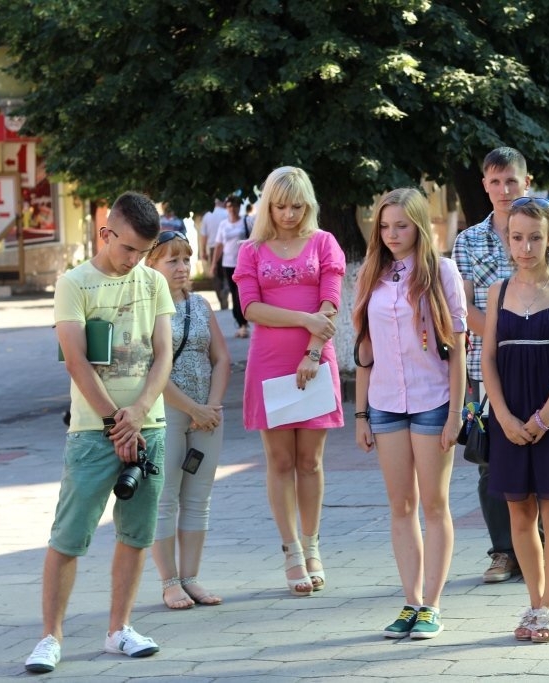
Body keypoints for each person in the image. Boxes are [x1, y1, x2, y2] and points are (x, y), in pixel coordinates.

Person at [25, 192, 175, 674]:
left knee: (136, 535)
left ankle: (119, 630)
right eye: (128, 248)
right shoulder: (74, 283)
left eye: (144, 252)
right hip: (94, 433)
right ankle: (50, 637)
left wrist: (140, 411)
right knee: (69, 536)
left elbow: (163, 354)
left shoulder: (154, 282)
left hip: (148, 429)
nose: (135, 260)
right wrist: (116, 421)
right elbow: (76, 361)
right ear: (105, 233)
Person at [452, 146, 549, 584]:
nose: (503, 189)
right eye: (495, 181)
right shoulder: (468, 240)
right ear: (484, 186)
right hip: (484, 367)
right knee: (492, 461)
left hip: (543, 365)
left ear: (526, 182)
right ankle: (504, 551)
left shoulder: (548, 232)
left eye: (511, 181)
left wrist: (524, 336)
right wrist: (507, 335)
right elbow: (463, 307)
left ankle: (540, 548)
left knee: (544, 456)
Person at [352, 188, 467, 640]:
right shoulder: (371, 274)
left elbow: (457, 349)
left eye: (401, 225)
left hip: (433, 401)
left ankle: (432, 606)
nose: (392, 234)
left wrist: (455, 413)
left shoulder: (442, 272)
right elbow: (364, 350)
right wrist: (360, 415)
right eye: (384, 226)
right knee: (400, 506)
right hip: (384, 404)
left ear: (418, 226)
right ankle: (411, 602)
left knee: (434, 505)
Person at [481, 196, 549, 644]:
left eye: (534, 238)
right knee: (520, 512)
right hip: (508, 415)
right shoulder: (497, 292)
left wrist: (544, 417)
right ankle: (534, 602)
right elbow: (488, 359)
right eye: (516, 237)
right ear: (507, 240)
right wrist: (504, 417)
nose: (525, 247)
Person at [233, 166, 346, 596]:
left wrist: (313, 351)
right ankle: (291, 550)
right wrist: (304, 319)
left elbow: (330, 302)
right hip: (270, 362)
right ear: (268, 205)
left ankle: (313, 546)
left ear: (308, 204)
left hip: (315, 359)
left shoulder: (324, 242)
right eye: (280, 206)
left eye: (297, 205)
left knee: (310, 461)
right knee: (279, 461)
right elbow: (251, 309)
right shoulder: (251, 250)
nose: (289, 214)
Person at [145, 231, 231, 610]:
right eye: (172, 261)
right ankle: (170, 582)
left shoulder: (200, 304)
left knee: (198, 498)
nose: (182, 268)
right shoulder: (147, 308)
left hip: (208, 416)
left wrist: (211, 406)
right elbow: (151, 369)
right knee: (165, 498)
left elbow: (222, 358)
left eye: (185, 259)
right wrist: (193, 409)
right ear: (152, 264)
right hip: (167, 413)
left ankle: (191, 578)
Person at [211, 196, 251, 338]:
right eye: (229, 206)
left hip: (243, 264)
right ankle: (241, 323)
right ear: (226, 208)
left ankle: (243, 323)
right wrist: (214, 263)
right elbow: (219, 245)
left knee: (241, 294)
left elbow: (255, 241)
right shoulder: (223, 224)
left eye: (235, 206)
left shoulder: (246, 221)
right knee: (234, 294)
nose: (232, 209)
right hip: (228, 264)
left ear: (239, 207)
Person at [200, 197, 229, 310]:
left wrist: (203, 251)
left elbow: (204, 236)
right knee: (227, 272)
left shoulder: (207, 216)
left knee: (216, 276)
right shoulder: (227, 213)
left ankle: (222, 300)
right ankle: (226, 288)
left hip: (213, 248)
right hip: (227, 248)